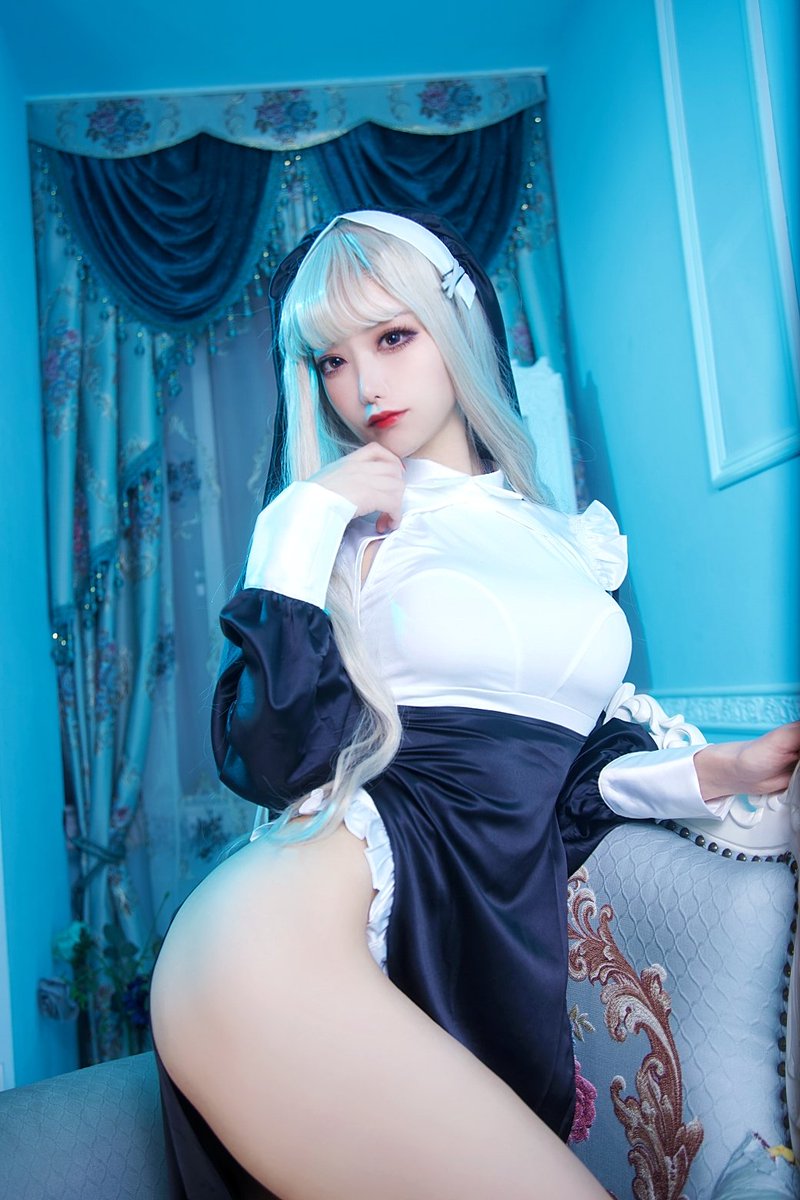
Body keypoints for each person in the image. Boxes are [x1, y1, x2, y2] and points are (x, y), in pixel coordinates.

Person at [149, 210, 800, 1200]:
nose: (363, 386)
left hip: (456, 928)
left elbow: (562, 776)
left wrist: (715, 771)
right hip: (280, 929)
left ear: (454, 326)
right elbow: (273, 759)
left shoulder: (563, 538)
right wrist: (303, 516)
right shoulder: (344, 534)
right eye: (330, 360)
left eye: (392, 337)